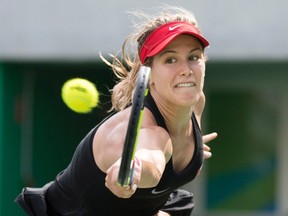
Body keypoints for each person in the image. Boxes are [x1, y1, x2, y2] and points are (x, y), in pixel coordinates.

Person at [15, 5, 217, 216]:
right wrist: (134, 168)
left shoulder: (195, 103)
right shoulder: (150, 134)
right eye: (170, 60)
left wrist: (191, 148)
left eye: (193, 57)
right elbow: (151, 161)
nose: (186, 70)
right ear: (149, 75)